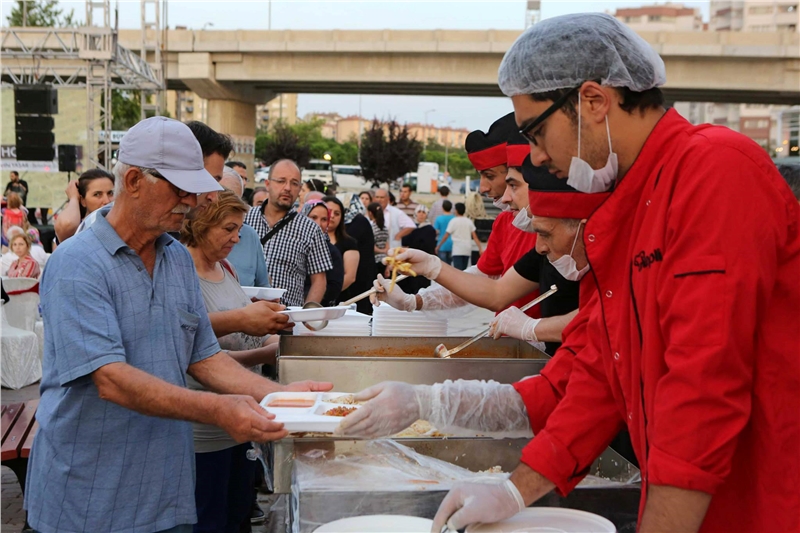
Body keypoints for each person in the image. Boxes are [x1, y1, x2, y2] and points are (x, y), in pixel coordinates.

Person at [431, 13, 800, 533]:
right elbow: (603, 372)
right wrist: (518, 488)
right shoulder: (629, 206)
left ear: (594, 101)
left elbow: (702, 388)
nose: (536, 157)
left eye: (537, 134)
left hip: (759, 506)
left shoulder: (715, 169)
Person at [24, 116, 333, 533]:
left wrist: (282, 397)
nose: (193, 198)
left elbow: (202, 355)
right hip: (89, 496)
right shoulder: (78, 263)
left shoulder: (174, 259)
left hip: (165, 492)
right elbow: (110, 379)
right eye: (179, 187)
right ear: (133, 180)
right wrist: (218, 408)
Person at [180, 190, 282, 533]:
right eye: (229, 228)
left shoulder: (225, 268)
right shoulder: (181, 272)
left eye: (239, 229)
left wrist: (274, 334)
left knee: (238, 515)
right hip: (205, 430)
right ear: (202, 225)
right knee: (208, 519)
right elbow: (200, 354)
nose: (237, 238)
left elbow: (246, 329)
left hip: (239, 419)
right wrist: (264, 352)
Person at [243, 159, 333, 307]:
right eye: (281, 181)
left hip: (285, 319)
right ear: (267, 184)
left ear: (299, 190)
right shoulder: (245, 219)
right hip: (242, 315)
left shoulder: (310, 229)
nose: (287, 188)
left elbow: (319, 281)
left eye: (294, 183)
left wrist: (305, 316)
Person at [219, 166, 271, 288]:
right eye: (223, 199)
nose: (230, 207)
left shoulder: (250, 236)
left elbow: (263, 286)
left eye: (236, 201)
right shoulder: (191, 236)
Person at [301, 199, 343, 306]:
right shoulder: (292, 244)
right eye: (313, 217)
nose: (318, 224)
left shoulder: (331, 251)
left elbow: (334, 287)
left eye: (324, 219)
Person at [54, 169, 115, 243]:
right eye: (97, 194)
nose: (107, 201)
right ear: (83, 200)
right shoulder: (79, 228)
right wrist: (74, 198)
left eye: (110, 193)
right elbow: (66, 224)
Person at [340, 194, 377, 315]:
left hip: (361, 272)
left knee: (359, 309)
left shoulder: (358, 221)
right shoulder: (352, 220)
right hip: (359, 270)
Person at [323, 196, 359, 293]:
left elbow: (350, 277)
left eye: (337, 213)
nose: (332, 216)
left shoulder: (349, 243)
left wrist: (325, 294)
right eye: (329, 211)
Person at [437, 203, 481, 270]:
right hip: (467, 249)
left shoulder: (453, 221)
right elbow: (475, 236)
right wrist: (480, 248)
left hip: (457, 250)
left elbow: (446, 236)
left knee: (458, 271)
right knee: (464, 270)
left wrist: (439, 246)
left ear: (456, 210)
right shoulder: (469, 221)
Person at [367, 202, 389, 272]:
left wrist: (380, 251)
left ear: (370, 213)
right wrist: (384, 251)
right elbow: (387, 244)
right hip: (385, 260)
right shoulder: (384, 228)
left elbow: (371, 246)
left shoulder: (371, 227)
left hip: (375, 260)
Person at [433, 200, 454, 264]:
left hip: (441, 244)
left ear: (442, 208)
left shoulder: (439, 218)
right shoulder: (454, 218)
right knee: (450, 265)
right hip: (452, 244)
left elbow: (435, 231)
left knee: (442, 265)